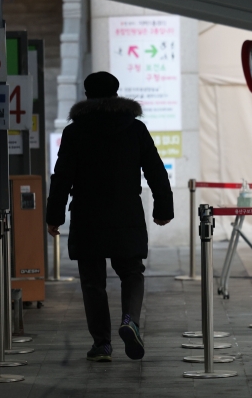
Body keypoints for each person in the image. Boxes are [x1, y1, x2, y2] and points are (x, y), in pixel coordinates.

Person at [46, 71, 174, 362]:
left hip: (88, 213)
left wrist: (54, 215)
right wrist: (163, 208)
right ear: (117, 93)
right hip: (125, 211)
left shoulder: (74, 131)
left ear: (87, 94)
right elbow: (155, 170)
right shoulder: (135, 128)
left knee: (93, 281)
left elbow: (62, 177)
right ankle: (130, 320)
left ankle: (102, 344)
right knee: (131, 271)